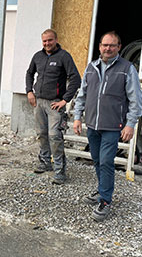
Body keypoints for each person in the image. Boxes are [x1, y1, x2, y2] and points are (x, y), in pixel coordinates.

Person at [73, 31, 142, 222]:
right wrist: (77, 117)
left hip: (113, 126)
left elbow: (135, 99)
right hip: (93, 124)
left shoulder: (127, 68)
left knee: (105, 161)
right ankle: (102, 188)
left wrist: (130, 125)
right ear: (99, 46)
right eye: (105, 45)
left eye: (112, 45)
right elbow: (82, 95)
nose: (108, 48)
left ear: (119, 47)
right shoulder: (91, 67)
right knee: (97, 159)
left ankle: (105, 200)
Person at [26, 29, 81, 184]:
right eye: (44, 41)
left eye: (50, 40)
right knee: (41, 133)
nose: (47, 43)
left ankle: (59, 171)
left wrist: (65, 100)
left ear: (56, 40)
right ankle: (44, 162)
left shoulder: (64, 56)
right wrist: (29, 91)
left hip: (55, 104)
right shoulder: (38, 56)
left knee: (54, 136)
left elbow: (76, 79)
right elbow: (29, 73)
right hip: (39, 102)